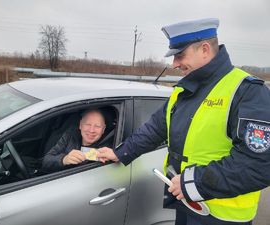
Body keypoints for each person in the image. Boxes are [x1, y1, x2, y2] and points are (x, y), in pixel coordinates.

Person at [97, 18, 270, 225]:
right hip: (187, 203)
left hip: (223, 216)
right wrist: (121, 152)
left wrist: (192, 182)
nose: (174, 64)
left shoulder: (247, 91)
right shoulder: (183, 89)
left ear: (205, 49)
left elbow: (259, 163)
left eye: (180, 55)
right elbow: (156, 128)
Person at [42, 109, 107, 172]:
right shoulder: (70, 135)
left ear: (103, 129)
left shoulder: (107, 148)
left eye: (97, 126)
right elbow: (46, 161)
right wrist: (64, 159)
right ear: (80, 125)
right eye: (88, 124)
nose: (91, 130)